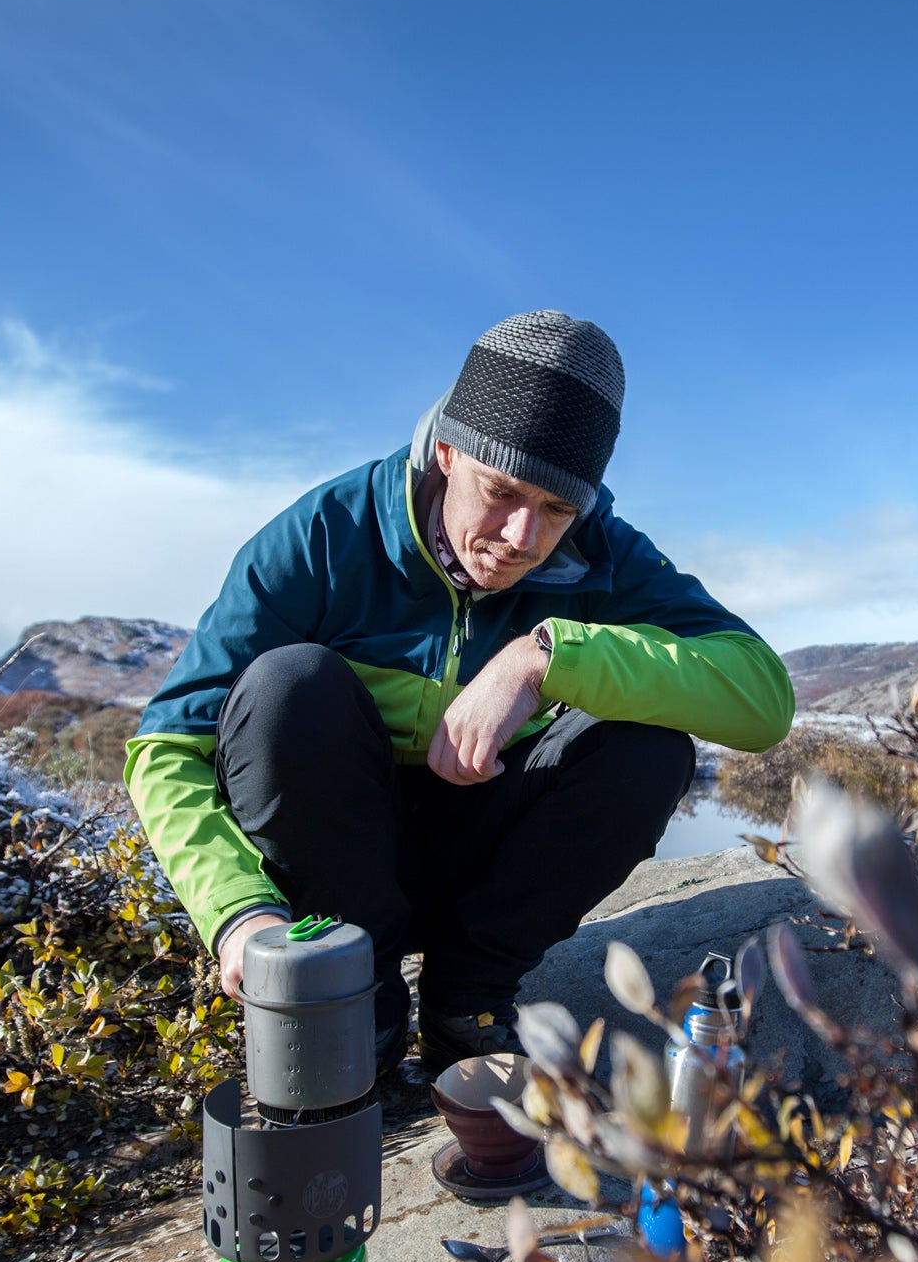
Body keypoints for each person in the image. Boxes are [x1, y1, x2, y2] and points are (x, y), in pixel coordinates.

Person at [125, 311, 794, 1078]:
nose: (521, 536)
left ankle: (466, 1003)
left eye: (556, 509)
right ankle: (361, 1005)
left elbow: (761, 698)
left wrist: (543, 657)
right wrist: (237, 911)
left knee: (648, 747)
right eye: (501, 491)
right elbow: (168, 750)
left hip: (477, 863)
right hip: (332, 880)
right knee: (289, 685)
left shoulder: (604, 550)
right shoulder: (321, 536)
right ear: (447, 449)